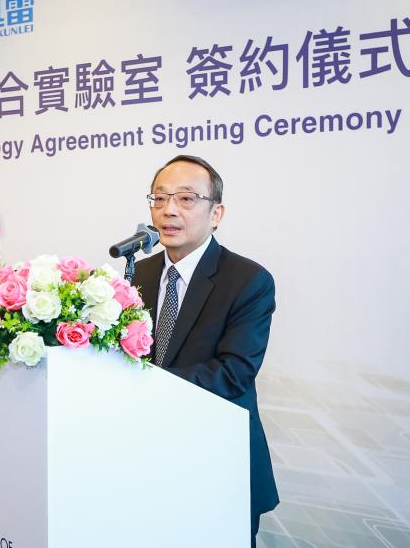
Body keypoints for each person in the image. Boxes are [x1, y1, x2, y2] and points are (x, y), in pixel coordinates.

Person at [132, 155, 278, 546]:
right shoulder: (139, 274)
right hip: (148, 457)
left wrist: (137, 386)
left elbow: (233, 374)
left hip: (216, 461)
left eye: (186, 199)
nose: (169, 210)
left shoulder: (248, 280)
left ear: (217, 213)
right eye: (159, 198)